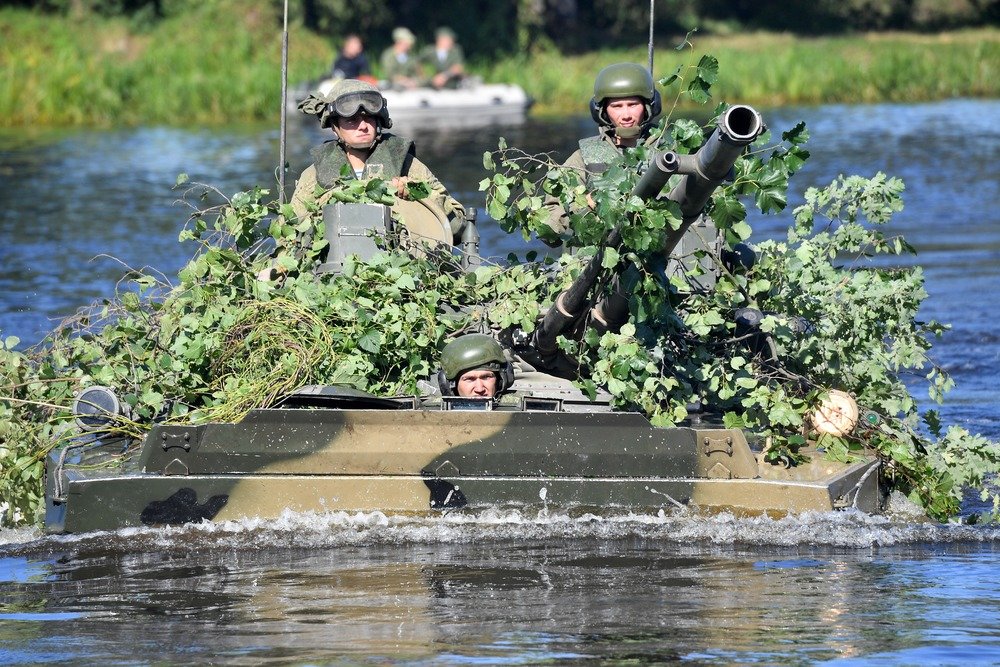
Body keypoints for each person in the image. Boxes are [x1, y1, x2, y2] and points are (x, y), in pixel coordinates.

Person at [291, 78, 466, 240]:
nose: (363, 126)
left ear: (379, 121)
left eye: (369, 118)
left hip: (399, 265)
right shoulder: (315, 176)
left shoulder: (407, 165)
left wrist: (417, 191)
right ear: (335, 126)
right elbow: (289, 235)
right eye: (352, 120)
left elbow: (458, 227)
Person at [544, 62, 662, 242]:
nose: (626, 114)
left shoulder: (669, 151)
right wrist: (586, 205)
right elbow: (549, 231)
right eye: (617, 106)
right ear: (603, 111)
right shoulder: (584, 157)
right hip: (600, 259)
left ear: (648, 107)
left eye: (632, 104)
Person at [438, 334, 514, 399]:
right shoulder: (432, 413)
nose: (480, 389)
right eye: (470, 379)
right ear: (450, 385)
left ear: (501, 380)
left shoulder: (517, 408)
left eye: (486, 377)